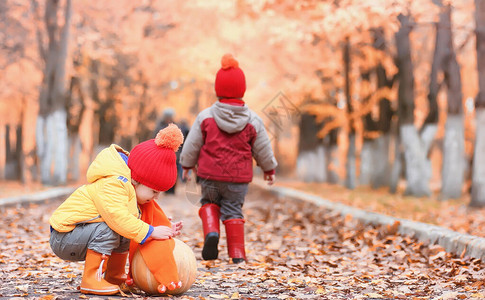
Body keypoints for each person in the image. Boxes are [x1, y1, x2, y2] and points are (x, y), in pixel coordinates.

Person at [49, 124, 185, 295]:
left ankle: (114, 277)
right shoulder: (114, 183)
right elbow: (118, 218)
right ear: (139, 179)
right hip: (64, 236)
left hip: (81, 233)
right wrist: (150, 232)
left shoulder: (131, 189)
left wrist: (162, 227)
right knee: (112, 227)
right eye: (154, 191)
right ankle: (92, 278)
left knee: (126, 231)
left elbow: (135, 223)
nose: (156, 197)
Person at [180, 53, 277, 263]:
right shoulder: (253, 119)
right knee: (233, 210)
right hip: (238, 179)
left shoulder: (205, 116)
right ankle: (237, 255)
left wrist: (186, 165)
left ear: (218, 89)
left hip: (209, 175)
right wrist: (269, 169)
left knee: (209, 203)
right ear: (242, 90)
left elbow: (192, 144)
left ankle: (212, 233)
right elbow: (263, 148)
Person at [153, 108, 189, 194]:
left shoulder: (175, 126)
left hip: (174, 154)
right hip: (161, 154)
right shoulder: (159, 126)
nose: (168, 118)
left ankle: (172, 190)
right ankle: (165, 189)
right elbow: (154, 139)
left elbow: (181, 140)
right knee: (163, 173)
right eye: (167, 117)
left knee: (173, 173)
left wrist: (181, 152)